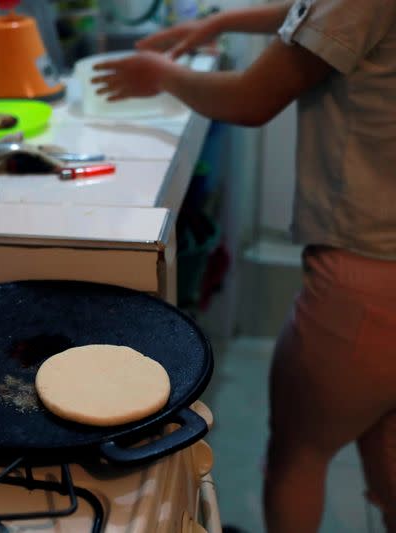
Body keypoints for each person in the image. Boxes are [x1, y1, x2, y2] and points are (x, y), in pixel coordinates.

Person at [91, 1, 396, 531]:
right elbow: (319, 13)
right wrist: (220, 22)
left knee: (298, 455)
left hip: (367, 277)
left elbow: (252, 100)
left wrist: (160, 74)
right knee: (384, 431)